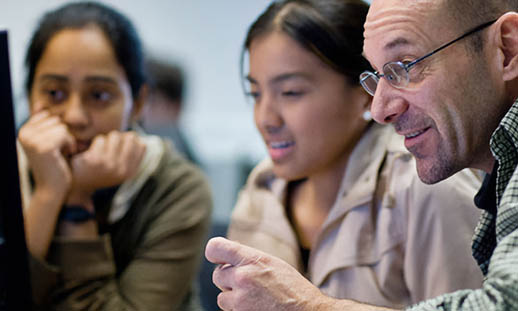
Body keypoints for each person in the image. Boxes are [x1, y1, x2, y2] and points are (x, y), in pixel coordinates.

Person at [205, 0, 518, 310]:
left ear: (508, 48)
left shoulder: (426, 185)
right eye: (255, 95)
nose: (380, 108)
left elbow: (501, 304)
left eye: (405, 66)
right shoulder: (261, 188)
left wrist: (306, 306)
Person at [17, 2, 212, 310]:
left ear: (137, 103)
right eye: (54, 93)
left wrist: (77, 203)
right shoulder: (10, 167)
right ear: (29, 97)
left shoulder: (176, 187)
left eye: (99, 95)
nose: (75, 116)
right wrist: (48, 193)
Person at [139, 57, 199, 164]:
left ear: (176, 107)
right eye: (140, 100)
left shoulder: (176, 159)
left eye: (152, 102)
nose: (142, 112)